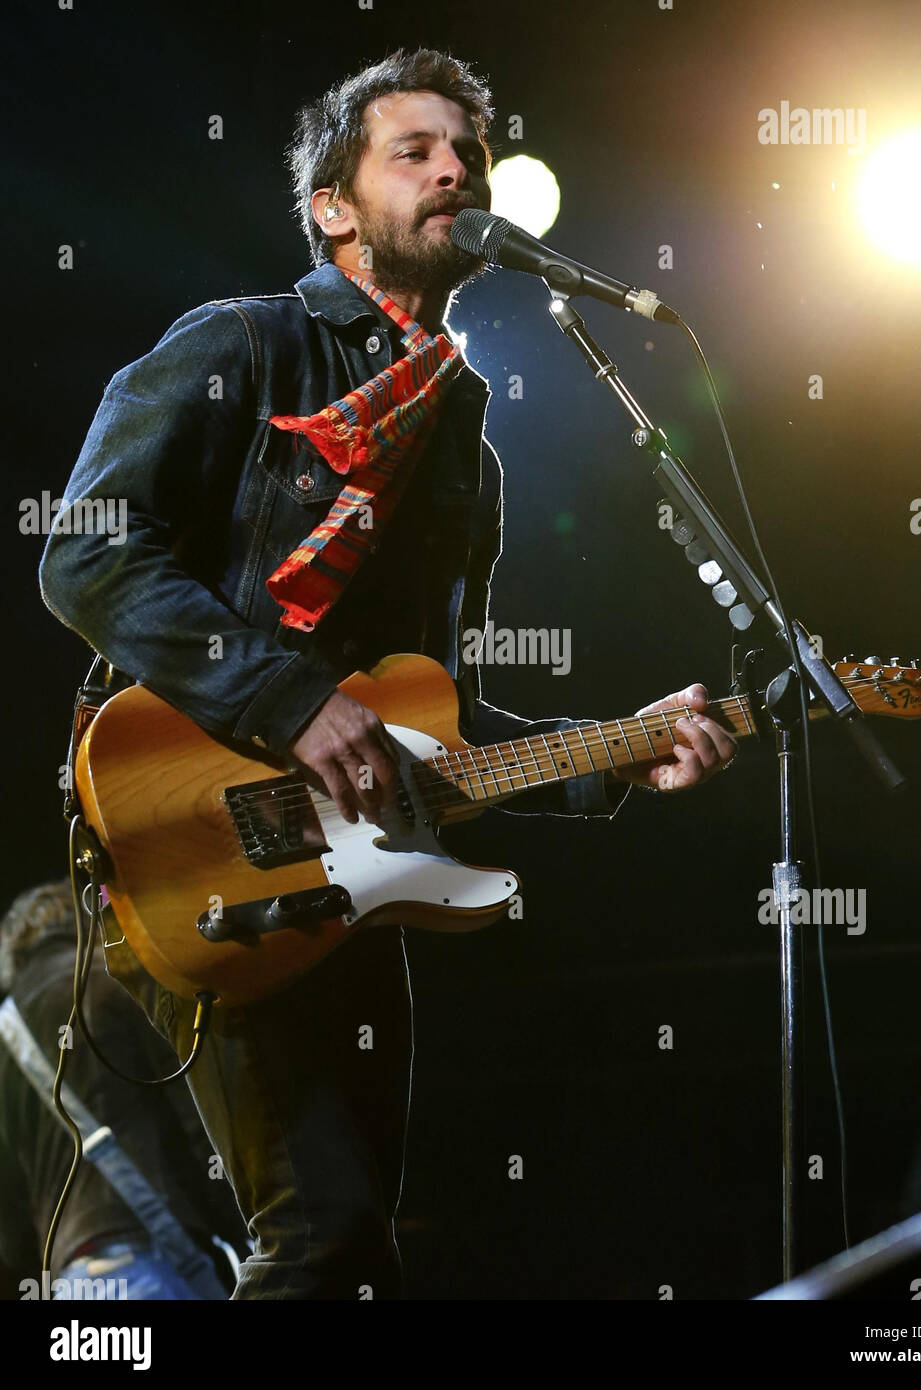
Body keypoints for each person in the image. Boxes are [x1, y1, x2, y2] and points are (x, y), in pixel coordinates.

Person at [38, 47, 737, 1299]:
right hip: (203, 833)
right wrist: (291, 701)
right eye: (413, 150)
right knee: (321, 1239)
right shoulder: (241, 346)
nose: (456, 169)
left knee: (357, 1260)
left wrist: (621, 747)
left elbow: (435, 720)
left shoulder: (465, 441)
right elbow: (83, 556)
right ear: (335, 208)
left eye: (466, 149)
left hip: (346, 873)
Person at [0, 881, 247, 1299]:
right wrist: (248, 1234)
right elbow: (200, 1121)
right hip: (162, 1262)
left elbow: (8, 1216)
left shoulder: (5, 1037)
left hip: (76, 1279)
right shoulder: (116, 982)